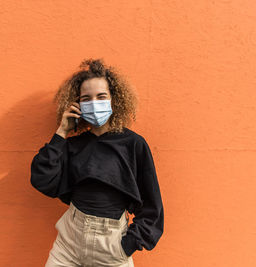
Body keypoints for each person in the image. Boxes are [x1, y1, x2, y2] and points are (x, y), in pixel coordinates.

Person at [30, 58, 164, 267]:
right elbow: (42, 179)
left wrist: (129, 244)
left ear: (114, 99)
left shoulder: (133, 144)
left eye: (101, 96)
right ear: (78, 104)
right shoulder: (73, 145)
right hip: (69, 243)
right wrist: (61, 132)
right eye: (86, 98)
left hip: (111, 245)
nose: (94, 103)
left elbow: (152, 205)